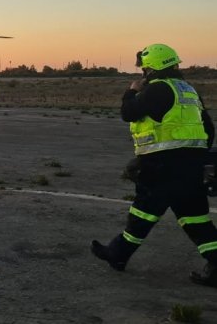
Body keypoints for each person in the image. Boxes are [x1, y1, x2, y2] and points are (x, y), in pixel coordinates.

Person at [91, 44, 217, 285]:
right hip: (190, 167)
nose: (143, 73)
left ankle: (117, 254)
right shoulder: (188, 91)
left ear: (154, 66)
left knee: (142, 213)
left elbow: (129, 112)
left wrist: (131, 92)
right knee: (196, 219)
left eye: (145, 68)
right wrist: (194, 156)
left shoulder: (159, 88)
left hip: (162, 166)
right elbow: (208, 129)